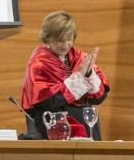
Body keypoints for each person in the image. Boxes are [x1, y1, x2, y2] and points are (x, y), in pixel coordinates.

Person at [20, 11, 109, 139]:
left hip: (86, 125)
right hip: (54, 127)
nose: (65, 44)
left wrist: (89, 74)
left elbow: (98, 98)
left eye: (69, 39)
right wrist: (79, 78)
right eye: (59, 40)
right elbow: (50, 102)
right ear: (48, 38)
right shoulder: (39, 63)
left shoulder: (80, 58)